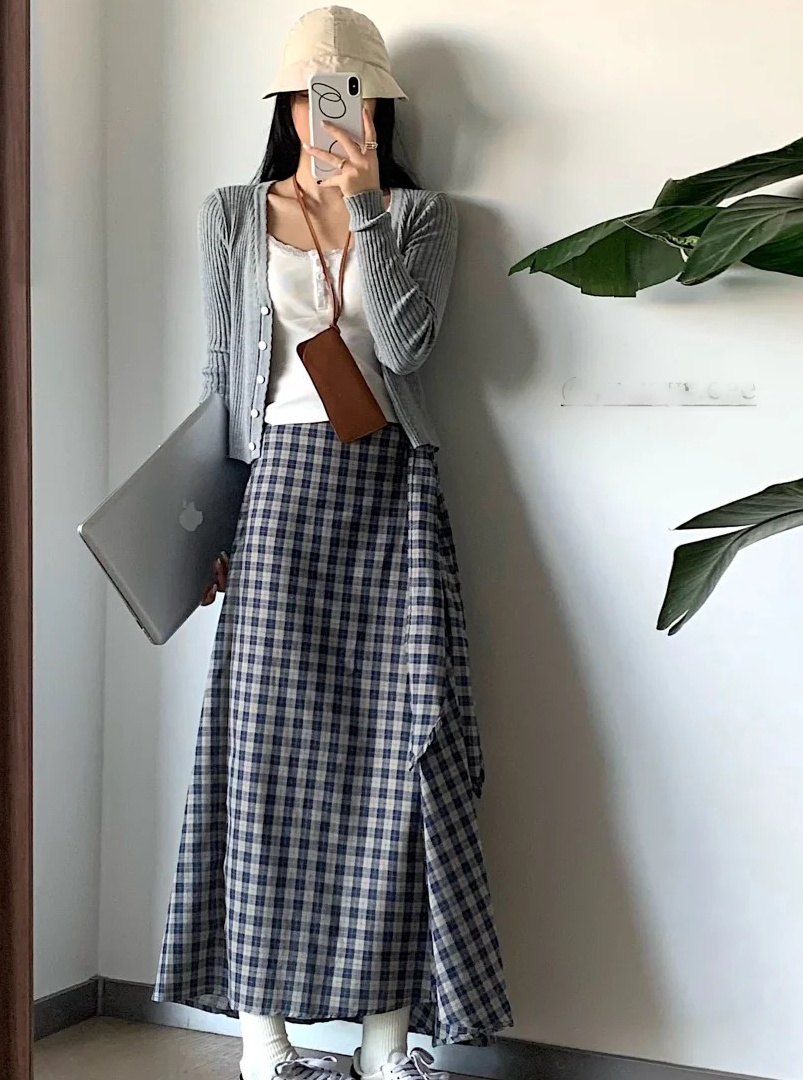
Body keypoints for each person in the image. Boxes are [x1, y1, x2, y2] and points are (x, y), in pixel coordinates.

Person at [152, 8, 512, 1080]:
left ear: (380, 107)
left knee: (402, 754)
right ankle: (264, 1043)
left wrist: (365, 208)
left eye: (353, 94)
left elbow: (407, 348)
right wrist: (210, 529)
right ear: (285, 106)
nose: (332, 113)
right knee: (262, 759)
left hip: (393, 495)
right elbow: (224, 381)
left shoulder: (425, 215)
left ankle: (387, 1042)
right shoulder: (233, 215)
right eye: (313, 95)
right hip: (278, 499)